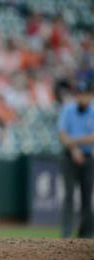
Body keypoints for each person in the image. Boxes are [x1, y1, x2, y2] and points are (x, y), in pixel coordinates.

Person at [58, 80, 94, 238]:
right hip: (69, 156)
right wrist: (75, 148)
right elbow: (63, 136)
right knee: (69, 196)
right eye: (80, 94)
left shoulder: (92, 111)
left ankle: (85, 235)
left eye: (85, 94)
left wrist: (74, 142)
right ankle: (65, 234)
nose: (82, 97)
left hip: (88, 157)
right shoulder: (68, 110)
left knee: (87, 197)